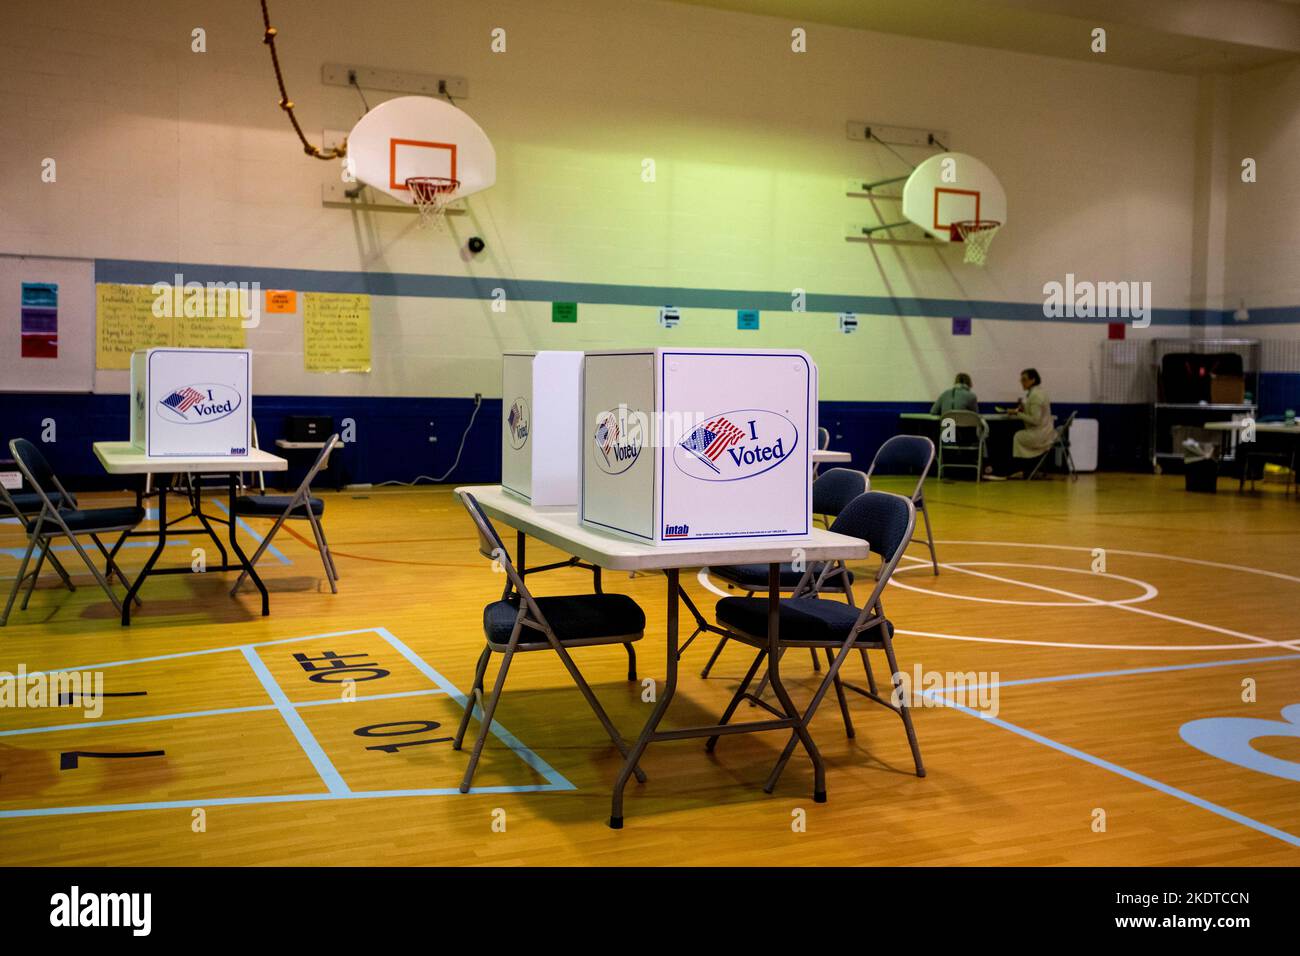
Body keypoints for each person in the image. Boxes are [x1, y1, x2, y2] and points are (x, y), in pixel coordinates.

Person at [988, 368, 1054, 479]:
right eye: (1021, 379)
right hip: (1045, 432)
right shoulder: (1039, 392)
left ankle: (1014, 468)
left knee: (1016, 436)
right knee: (1014, 433)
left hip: (1040, 435)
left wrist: (1017, 413)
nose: (1021, 382)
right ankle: (1017, 468)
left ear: (1033, 380)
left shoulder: (1035, 396)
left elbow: (1035, 420)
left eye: (1024, 379)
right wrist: (1023, 410)